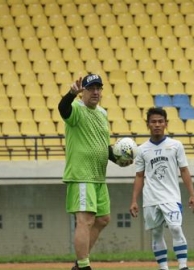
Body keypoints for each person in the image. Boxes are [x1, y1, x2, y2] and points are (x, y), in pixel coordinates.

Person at [58, 74, 132, 270]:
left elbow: (101, 146)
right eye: (91, 88)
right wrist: (70, 94)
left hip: (99, 176)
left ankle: (79, 262)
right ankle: (83, 265)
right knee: (86, 219)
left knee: (102, 219)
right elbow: (63, 109)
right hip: (82, 175)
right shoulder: (76, 108)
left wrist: (118, 158)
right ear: (83, 91)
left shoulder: (102, 113)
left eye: (99, 88)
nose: (96, 92)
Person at [129, 107, 194, 270]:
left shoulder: (176, 145)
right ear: (148, 124)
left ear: (166, 123)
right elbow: (139, 176)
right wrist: (133, 200)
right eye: (153, 122)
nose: (157, 124)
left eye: (160, 121)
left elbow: (184, 170)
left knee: (175, 227)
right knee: (156, 233)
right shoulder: (141, 150)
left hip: (171, 197)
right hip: (150, 199)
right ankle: (164, 267)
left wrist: (192, 194)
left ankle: (183, 266)